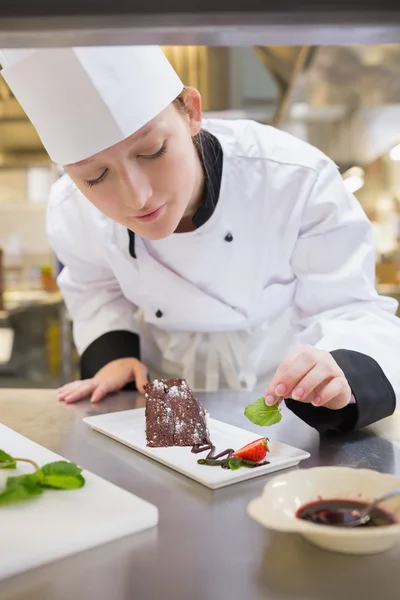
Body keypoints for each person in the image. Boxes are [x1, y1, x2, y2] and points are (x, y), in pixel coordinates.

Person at [1, 45, 399, 435]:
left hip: (285, 404)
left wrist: (340, 373)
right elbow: (95, 289)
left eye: (153, 151)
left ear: (192, 112)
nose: (136, 197)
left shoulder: (295, 178)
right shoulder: (72, 208)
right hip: (160, 403)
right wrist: (114, 355)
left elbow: (349, 307)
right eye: (95, 177)